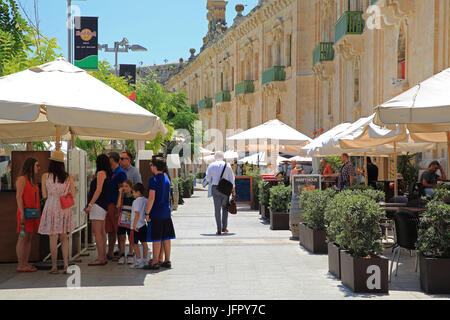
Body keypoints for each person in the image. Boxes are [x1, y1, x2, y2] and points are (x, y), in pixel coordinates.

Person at [38, 151, 76, 274]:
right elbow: (73, 194)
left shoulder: (45, 176)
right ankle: (65, 264)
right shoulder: (68, 176)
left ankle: (54, 266)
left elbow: (44, 195)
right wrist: (64, 193)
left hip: (51, 206)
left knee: (53, 236)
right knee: (64, 236)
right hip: (64, 207)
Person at [144, 156, 176, 270]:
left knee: (156, 238)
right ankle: (167, 260)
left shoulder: (153, 180)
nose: (150, 167)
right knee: (166, 237)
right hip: (166, 212)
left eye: (151, 165)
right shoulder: (166, 178)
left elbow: (151, 197)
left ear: (155, 166)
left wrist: (147, 213)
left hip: (156, 212)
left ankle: (155, 261)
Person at [85, 154, 112, 266]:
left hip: (97, 205)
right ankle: (103, 256)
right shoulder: (106, 174)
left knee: (97, 232)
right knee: (101, 232)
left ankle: (101, 257)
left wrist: (90, 204)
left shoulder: (101, 173)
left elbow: (98, 190)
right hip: (102, 205)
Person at [15, 157, 41, 273]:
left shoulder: (32, 180)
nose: (38, 168)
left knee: (29, 238)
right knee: (22, 238)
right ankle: (21, 264)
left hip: (32, 214)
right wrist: (21, 214)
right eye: (37, 165)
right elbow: (18, 197)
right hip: (24, 214)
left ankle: (25, 263)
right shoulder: (22, 179)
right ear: (31, 166)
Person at [205, 151, 235, 235]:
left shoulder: (212, 165)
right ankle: (224, 227)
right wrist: (233, 190)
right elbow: (232, 179)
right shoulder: (228, 165)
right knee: (225, 208)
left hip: (215, 188)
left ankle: (218, 229)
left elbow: (207, 178)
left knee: (217, 209)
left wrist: (212, 181)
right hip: (225, 189)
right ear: (223, 157)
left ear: (215, 157)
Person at [106, 152, 127, 261]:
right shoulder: (111, 172)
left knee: (118, 229)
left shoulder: (120, 173)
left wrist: (118, 206)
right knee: (110, 230)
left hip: (115, 204)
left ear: (112, 159)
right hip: (109, 203)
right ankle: (110, 252)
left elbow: (121, 190)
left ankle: (121, 251)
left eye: (108, 157)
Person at [129, 183, 149, 269]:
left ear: (137, 192)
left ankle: (138, 261)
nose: (132, 194)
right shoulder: (145, 200)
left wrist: (134, 225)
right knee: (144, 243)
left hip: (136, 226)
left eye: (133, 192)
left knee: (135, 244)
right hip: (143, 224)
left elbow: (137, 213)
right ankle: (145, 260)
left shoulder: (136, 201)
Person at [116, 180, 135, 265]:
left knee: (131, 237)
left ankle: (130, 254)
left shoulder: (134, 197)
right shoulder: (122, 196)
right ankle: (122, 254)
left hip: (131, 219)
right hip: (123, 219)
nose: (124, 188)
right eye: (123, 186)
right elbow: (118, 205)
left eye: (126, 186)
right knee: (122, 237)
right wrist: (120, 194)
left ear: (131, 187)